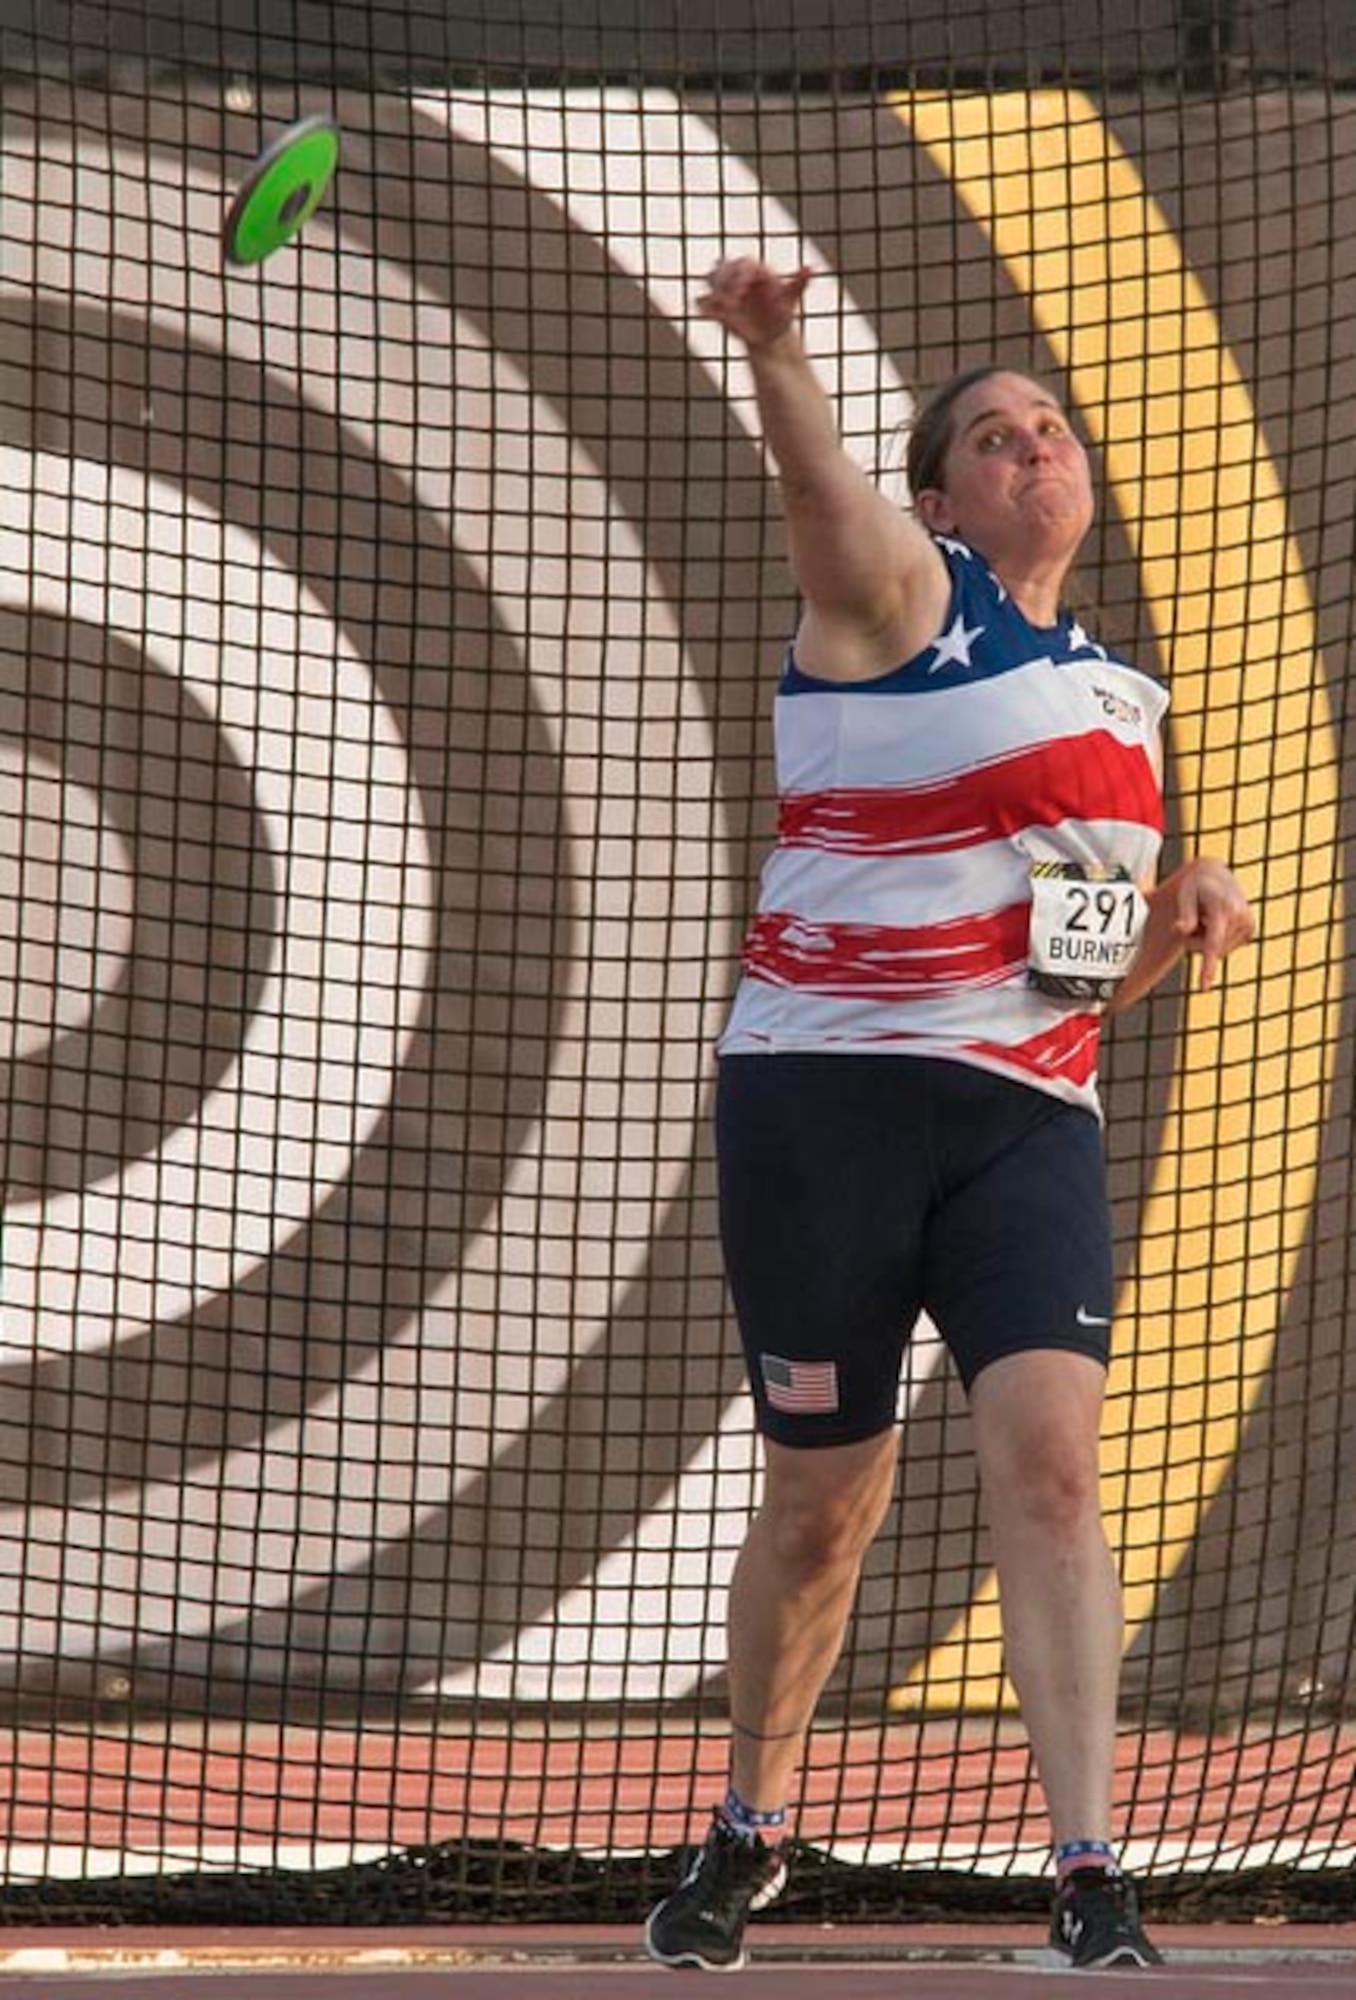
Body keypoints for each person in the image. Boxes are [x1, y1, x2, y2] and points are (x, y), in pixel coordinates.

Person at [644, 258, 1256, 1974]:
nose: (1032, 445)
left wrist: (1167, 919)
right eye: (992, 434)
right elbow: (828, 509)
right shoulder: (908, 599)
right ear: (946, 495)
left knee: (1054, 1472)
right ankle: (754, 1825)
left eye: (1048, 427)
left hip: (1021, 1128)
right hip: (821, 1114)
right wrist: (777, 363)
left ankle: (1086, 1871)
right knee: (824, 1505)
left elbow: (1071, 989)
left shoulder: (1124, 705)